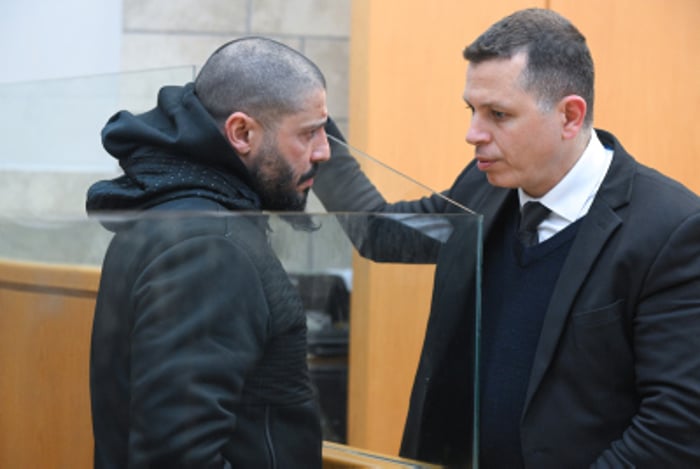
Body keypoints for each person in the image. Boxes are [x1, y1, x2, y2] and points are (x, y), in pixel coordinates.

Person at [315, 8, 700, 468]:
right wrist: (310, 135)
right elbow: (382, 233)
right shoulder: (482, 187)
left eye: (498, 114)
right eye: (472, 110)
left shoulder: (672, 228)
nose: (472, 134)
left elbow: (675, 425)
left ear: (570, 116)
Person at [86, 37, 331, 468]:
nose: (324, 151)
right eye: (308, 132)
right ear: (241, 133)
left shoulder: (178, 210)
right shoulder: (210, 244)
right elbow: (177, 457)